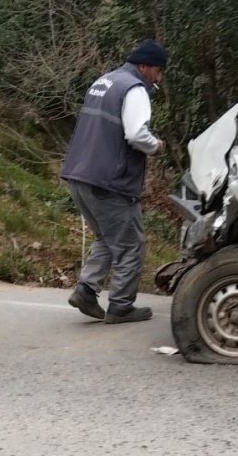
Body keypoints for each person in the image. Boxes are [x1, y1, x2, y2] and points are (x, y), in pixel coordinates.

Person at [61, 39, 167, 324]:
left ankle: (85, 290)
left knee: (107, 237)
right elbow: (135, 135)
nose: (159, 78)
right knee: (131, 243)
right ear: (144, 67)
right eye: (158, 71)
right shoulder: (134, 89)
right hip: (109, 181)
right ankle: (121, 305)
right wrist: (157, 146)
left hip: (78, 175)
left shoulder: (104, 81)